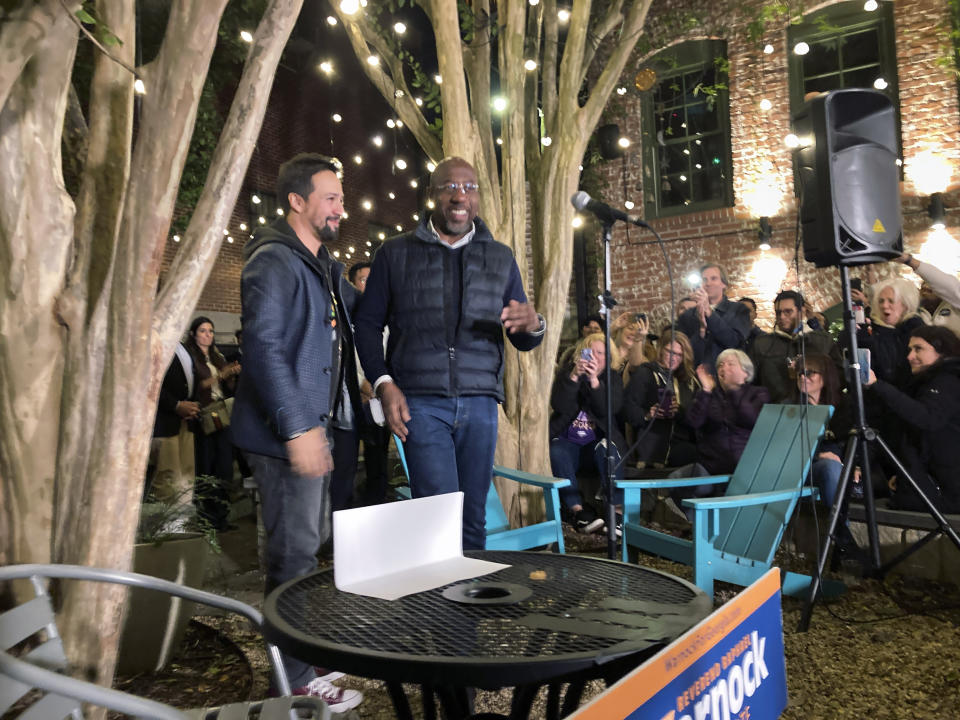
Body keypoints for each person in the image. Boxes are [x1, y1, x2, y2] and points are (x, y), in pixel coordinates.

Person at [354, 156, 545, 551]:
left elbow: (522, 337)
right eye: (450, 187)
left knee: (472, 515)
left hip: (479, 403)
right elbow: (368, 326)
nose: (460, 195)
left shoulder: (500, 257)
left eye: (470, 187)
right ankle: (438, 606)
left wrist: (534, 325)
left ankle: (469, 609)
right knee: (438, 515)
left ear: (478, 198)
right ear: (432, 195)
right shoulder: (395, 254)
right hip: (420, 404)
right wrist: (383, 382)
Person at [230, 153, 363, 710]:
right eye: (330, 197)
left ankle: (301, 656)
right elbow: (260, 345)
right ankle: (292, 683)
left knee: (306, 553)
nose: (341, 207)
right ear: (296, 201)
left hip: (316, 428)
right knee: (293, 558)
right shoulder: (274, 262)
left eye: (340, 197)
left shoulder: (322, 266)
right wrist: (299, 426)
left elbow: (364, 313)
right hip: (289, 435)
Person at [865, 325, 960, 513]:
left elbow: (927, 418)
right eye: (910, 349)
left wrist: (878, 385)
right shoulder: (927, 382)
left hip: (946, 488)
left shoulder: (947, 381)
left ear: (941, 351)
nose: (910, 356)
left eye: (919, 349)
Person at [548, 333, 624, 533]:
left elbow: (609, 409)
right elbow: (560, 405)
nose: (597, 358)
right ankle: (578, 511)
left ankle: (615, 514)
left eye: (602, 354)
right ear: (583, 353)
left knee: (607, 449)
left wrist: (594, 382)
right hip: (570, 442)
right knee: (556, 449)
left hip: (596, 443)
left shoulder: (612, 378)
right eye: (593, 352)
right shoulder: (568, 374)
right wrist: (574, 376)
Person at [185, 316, 240, 532]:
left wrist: (231, 374)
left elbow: (226, 383)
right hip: (205, 415)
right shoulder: (192, 358)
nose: (208, 335)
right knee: (207, 466)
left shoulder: (217, 355)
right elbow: (199, 385)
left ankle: (222, 516)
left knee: (224, 467)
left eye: (211, 331)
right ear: (193, 334)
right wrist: (222, 375)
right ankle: (207, 518)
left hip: (223, 413)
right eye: (203, 331)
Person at [622, 330, 700, 469]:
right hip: (652, 446)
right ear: (661, 349)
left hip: (682, 440)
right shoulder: (646, 373)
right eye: (670, 352)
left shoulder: (690, 380)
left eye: (679, 354)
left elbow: (696, 418)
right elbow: (627, 410)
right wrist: (648, 415)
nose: (673, 358)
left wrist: (679, 412)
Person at [687, 349, 770, 477]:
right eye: (720, 365)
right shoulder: (708, 395)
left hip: (748, 466)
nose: (724, 368)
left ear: (745, 371)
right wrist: (706, 391)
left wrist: (734, 390)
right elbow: (694, 422)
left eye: (730, 364)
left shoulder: (758, 393)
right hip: (712, 467)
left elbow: (752, 420)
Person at [750, 290, 841, 403]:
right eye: (778, 312)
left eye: (788, 312)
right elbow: (752, 381)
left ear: (801, 311)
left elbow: (838, 377)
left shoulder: (822, 341)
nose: (782, 317)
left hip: (816, 410)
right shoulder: (762, 344)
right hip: (775, 410)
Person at [349, 261, 390, 506]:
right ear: (353, 284)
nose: (369, 283)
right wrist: (360, 384)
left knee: (378, 458)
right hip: (355, 398)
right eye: (363, 279)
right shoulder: (348, 316)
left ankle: (376, 503)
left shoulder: (386, 316)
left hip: (380, 397)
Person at [789, 354, 854, 507]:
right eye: (800, 373)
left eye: (809, 372)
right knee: (830, 467)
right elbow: (785, 449)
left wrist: (856, 465)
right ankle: (840, 529)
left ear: (826, 376)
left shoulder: (843, 404)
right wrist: (818, 456)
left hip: (841, 463)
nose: (803, 377)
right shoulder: (789, 407)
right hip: (803, 468)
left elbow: (853, 438)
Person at [149, 341, 200, 529]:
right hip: (164, 422)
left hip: (185, 421)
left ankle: (182, 523)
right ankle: (166, 527)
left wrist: (191, 405)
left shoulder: (182, 345)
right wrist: (176, 405)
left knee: (187, 474)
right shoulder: (155, 342)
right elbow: (149, 381)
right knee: (168, 476)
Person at [676, 263, 751, 371]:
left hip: (728, 375)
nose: (708, 283)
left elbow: (733, 342)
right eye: (704, 280)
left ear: (724, 284)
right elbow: (683, 350)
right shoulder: (687, 316)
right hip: (696, 375)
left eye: (714, 278)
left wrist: (709, 312)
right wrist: (701, 331)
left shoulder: (738, 310)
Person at [857, 276, 925, 387]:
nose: (884, 305)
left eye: (891, 301)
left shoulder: (917, 331)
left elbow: (892, 370)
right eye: (881, 301)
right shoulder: (871, 330)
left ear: (905, 304)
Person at [898, 253, 960, 337]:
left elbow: (951, 287)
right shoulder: (913, 311)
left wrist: (910, 261)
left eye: (931, 285)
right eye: (923, 284)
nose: (926, 287)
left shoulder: (955, 302)